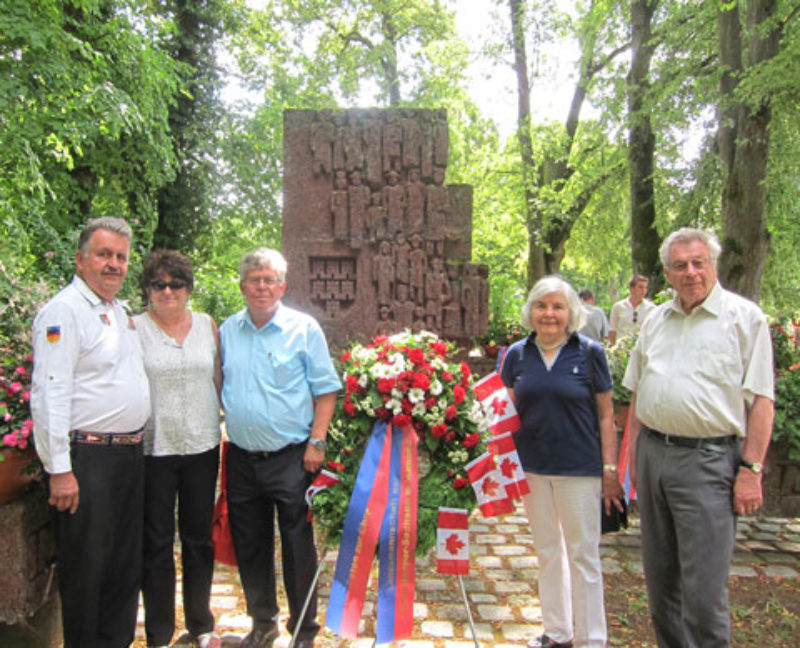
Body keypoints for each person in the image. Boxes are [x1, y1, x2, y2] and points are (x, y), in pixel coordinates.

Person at [623, 228, 774, 648]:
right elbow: (639, 393)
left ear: (712, 265)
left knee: (704, 597)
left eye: (698, 262)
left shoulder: (745, 319)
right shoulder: (655, 319)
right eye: (679, 265)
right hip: (654, 455)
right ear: (667, 274)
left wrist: (751, 470)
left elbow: (762, 401)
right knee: (661, 589)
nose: (690, 272)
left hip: (707, 463)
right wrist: (635, 459)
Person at [30, 217, 151, 647]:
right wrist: (60, 469)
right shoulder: (64, 311)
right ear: (81, 260)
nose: (113, 264)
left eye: (120, 256)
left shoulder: (117, 311)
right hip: (88, 461)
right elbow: (50, 392)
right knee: (87, 573)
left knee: (123, 570)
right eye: (104, 254)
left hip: (127, 458)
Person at [219, 248, 341, 648]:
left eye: (269, 279)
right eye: (254, 279)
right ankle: (262, 622)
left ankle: (304, 631)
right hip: (241, 458)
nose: (262, 286)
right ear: (242, 286)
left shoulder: (303, 329)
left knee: (297, 548)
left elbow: (326, 390)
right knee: (251, 547)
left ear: (283, 285)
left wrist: (317, 442)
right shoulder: (227, 331)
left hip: (292, 457)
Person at [501, 276, 625, 648]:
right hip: (533, 470)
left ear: (571, 312)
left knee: (583, 556)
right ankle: (557, 633)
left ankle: (592, 640)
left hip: (579, 470)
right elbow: (504, 412)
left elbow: (606, 416)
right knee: (547, 553)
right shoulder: (517, 355)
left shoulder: (589, 352)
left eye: (557, 306)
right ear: (531, 312)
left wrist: (609, 470)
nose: (549, 314)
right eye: (541, 306)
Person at [133, 251, 222, 648]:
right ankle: (159, 631)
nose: (168, 291)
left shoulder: (207, 325)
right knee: (155, 541)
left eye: (176, 284)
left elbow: (219, 379)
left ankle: (201, 623)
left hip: (203, 444)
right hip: (155, 447)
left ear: (188, 289)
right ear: (148, 289)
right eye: (158, 284)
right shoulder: (133, 328)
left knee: (199, 537)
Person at [608, 275, 655, 344]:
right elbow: (613, 330)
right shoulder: (618, 307)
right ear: (631, 289)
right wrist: (612, 349)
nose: (643, 290)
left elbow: (653, 331)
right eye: (640, 287)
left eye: (645, 288)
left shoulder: (651, 308)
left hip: (642, 348)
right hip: (622, 349)